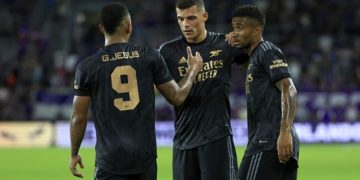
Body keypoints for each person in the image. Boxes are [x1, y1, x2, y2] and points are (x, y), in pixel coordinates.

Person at [68, 3, 203, 180]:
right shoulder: (149, 56)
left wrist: (74, 154)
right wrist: (192, 71)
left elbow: (79, 117)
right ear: (129, 26)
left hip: (109, 161)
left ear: (101, 28)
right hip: (144, 161)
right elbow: (177, 97)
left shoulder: (87, 67)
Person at [159, 0, 248, 179]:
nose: (186, 24)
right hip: (183, 142)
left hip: (217, 139)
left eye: (191, 18)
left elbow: (254, 58)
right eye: (180, 19)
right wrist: (192, 71)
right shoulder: (167, 52)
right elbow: (174, 96)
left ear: (204, 16)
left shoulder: (225, 44)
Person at [226, 5, 300, 180]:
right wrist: (228, 42)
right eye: (233, 28)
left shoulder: (267, 50)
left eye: (240, 28)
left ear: (257, 30)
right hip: (275, 140)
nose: (235, 33)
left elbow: (289, 89)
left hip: (269, 140)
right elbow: (241, 61)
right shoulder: (255, 59)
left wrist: (284, 132)